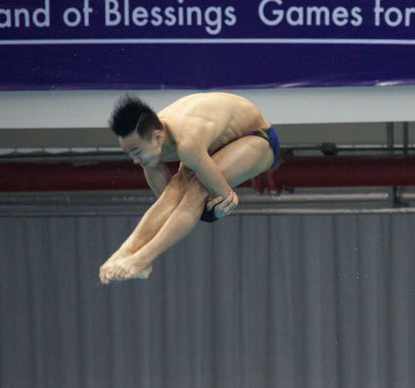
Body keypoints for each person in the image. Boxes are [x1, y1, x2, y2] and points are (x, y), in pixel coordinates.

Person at [99, 92, 280, 283]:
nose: (135, 161)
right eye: (129, 154)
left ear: (157, 138)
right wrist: (123, 253)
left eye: (137, 152)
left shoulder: (188, 143)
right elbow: (169, 205)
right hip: (215, 142)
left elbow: (222, 196)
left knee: (197, 187)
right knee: (176, 188)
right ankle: (123, 254)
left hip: (258, 138)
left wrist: (213, 211)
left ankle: (142, 260)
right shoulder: (152, 145)